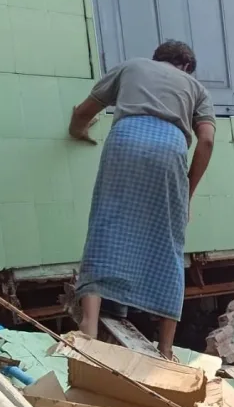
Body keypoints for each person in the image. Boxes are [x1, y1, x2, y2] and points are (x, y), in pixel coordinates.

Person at [68, 40, 216, 359]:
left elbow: (83, 112)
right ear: (187, 66)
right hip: (170, 148)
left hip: (125, 139)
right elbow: (206, 141)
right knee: (168, 241)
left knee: (106, 224)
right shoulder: (196, 88)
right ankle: (165, 348)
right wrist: (186, 194)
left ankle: (90, 326)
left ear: (157, 59)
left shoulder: (131, 66)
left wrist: (77, 132)